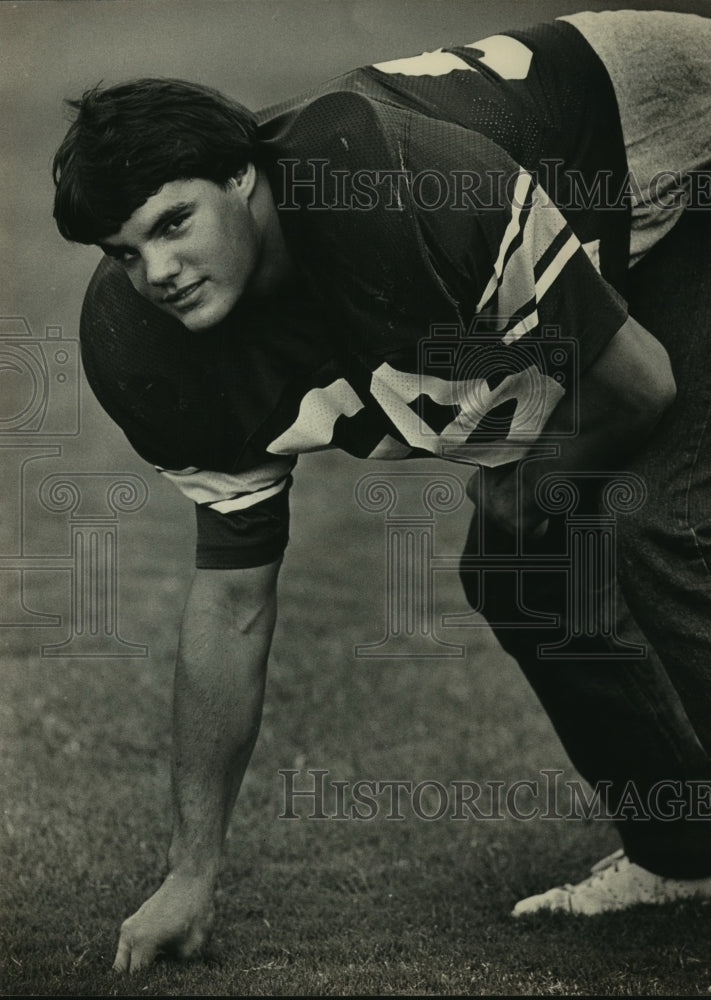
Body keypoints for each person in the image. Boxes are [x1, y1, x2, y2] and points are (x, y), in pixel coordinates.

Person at [51, 8, 711, 974]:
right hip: (584, 217)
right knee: (519, 559)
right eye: (122, 251)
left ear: (243, 174)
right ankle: (682, 853)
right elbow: (232, 598)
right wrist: (190, 871)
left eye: (173, 223)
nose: (155, 273)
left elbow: (639, 385)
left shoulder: (389, 192)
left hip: (676, 149)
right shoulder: (143, 345)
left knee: (649, 519)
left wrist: (542, 480)